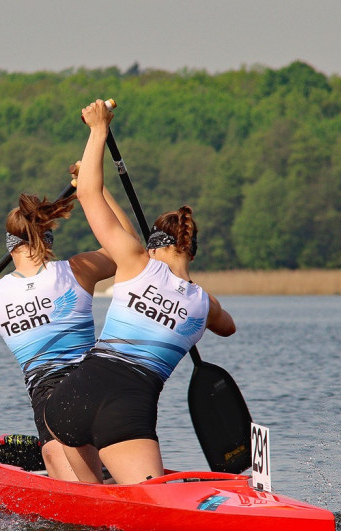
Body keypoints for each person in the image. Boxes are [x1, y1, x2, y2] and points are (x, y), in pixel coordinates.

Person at [44, 100, 237, 485]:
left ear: (155, 247)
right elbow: (228, 328)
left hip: (71, 399)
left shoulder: (135, 263)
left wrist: (98, 131)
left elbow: (90, 196)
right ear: (190, 249)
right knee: (151, 505)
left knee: (90, 504)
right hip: (127, 411)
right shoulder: (206, 304)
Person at [0, 166, 138, 480]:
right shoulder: (80, 269)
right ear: (48, 240)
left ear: (11, 247)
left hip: (53, 400)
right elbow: (130, 245)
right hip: (102, 385)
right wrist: (96, 188)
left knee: (61, 464)